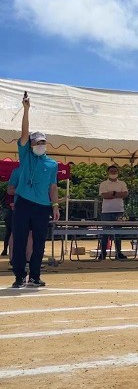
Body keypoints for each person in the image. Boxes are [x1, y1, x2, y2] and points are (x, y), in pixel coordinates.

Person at [11, 93, 59, 288]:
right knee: (20, 240)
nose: (40, 145)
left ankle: (35, 276)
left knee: (39, 242)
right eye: (37, 142)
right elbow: (24, 134)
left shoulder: (52, 163)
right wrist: (26, 110)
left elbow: (53, 186)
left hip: (42, 206)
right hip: (23, 203)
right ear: (31, 144)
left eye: (43, 142)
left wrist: (55, 205)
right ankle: (19, 276)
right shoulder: (26, 156)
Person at [98, 165, 129, 260]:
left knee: (118, 233)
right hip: (106, 211)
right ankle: (103, 253)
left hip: (119, 211)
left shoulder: (122, 183)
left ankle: (118, 253)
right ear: (108, 172)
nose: (113, 172)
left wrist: (112, 193)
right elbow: (104, 195)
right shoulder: (103, 184)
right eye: (111, 171)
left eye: (115, 171)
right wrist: (117, 194)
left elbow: (125, 194)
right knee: (105, 233)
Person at [2, 167, 20, 257]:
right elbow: (7, 201)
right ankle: (6, 250)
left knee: (12, 233)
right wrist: (12, 204)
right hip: (11, 213)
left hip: (16, 212)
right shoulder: (11, 190)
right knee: (10, 232)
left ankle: (10, 251)